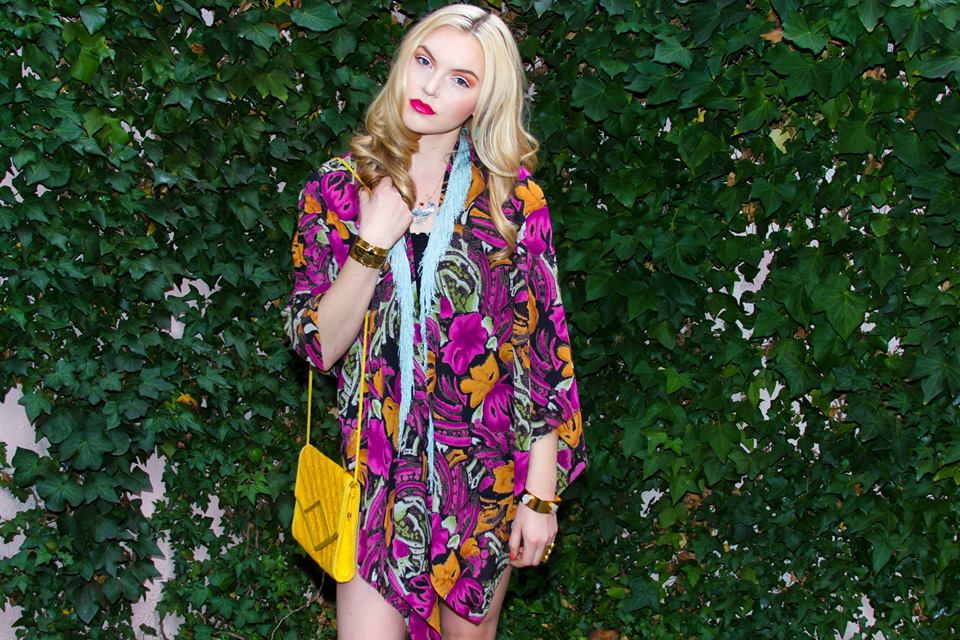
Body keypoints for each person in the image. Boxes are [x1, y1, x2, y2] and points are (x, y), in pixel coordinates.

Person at [282, 4, 587, 639]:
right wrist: (371, 243)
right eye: (424, 61)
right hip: (374, 475)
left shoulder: (511, 201)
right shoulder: (336, 190)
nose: (430, 87)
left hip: (481, 481)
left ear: (482, 100)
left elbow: (543, 354)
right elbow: (318, 347)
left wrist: (539, 495)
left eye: (460, 78)